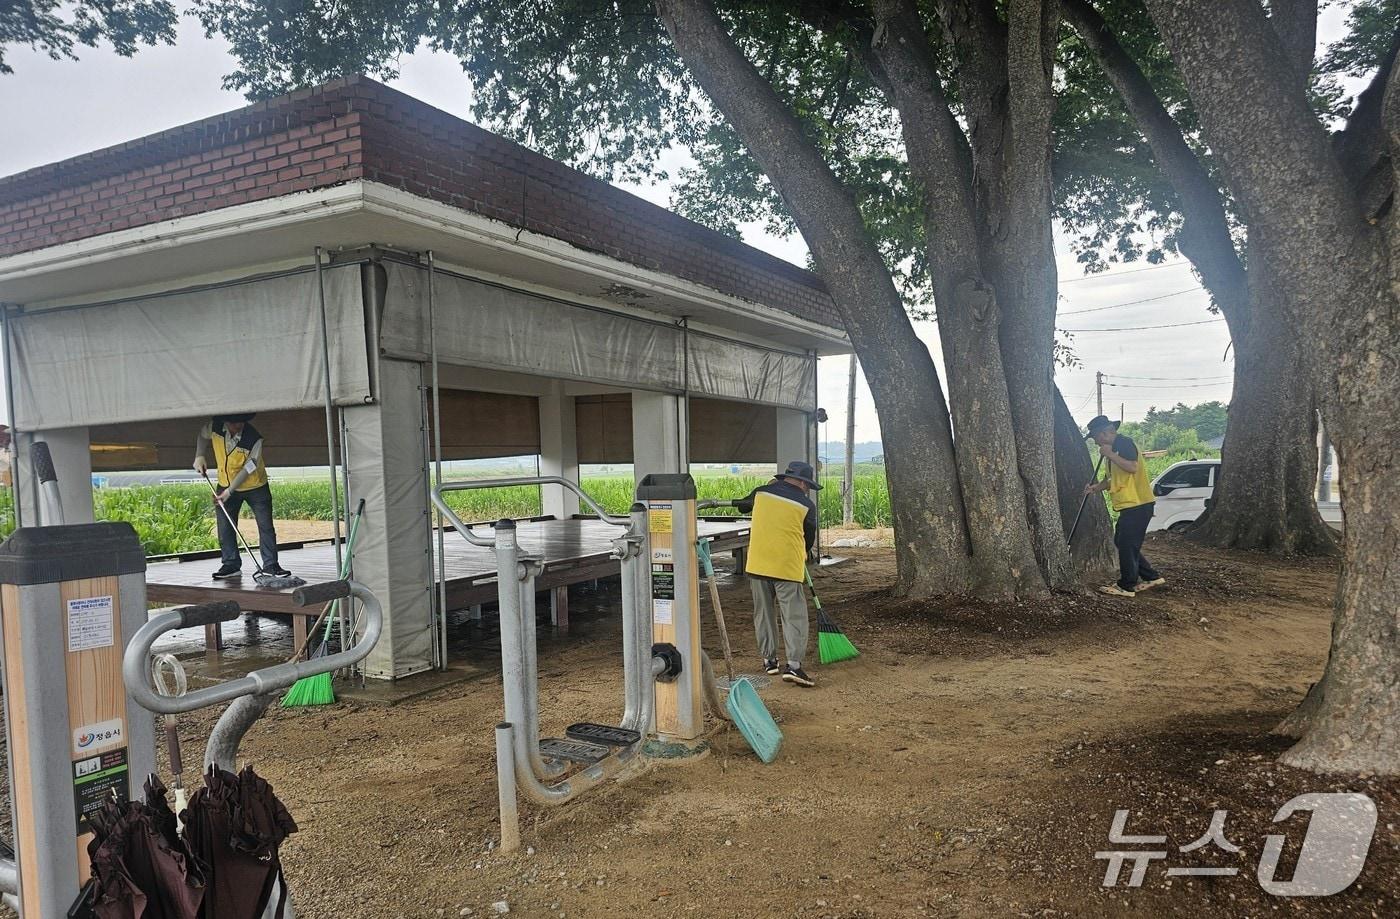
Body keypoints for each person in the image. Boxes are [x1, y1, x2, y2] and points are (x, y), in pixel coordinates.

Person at [735, 460, 820, 687]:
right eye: (808, 486)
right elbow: (808, 538)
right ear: (803, 483)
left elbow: (742, 507)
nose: (807, 490)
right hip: (786, 566)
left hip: (758, 564)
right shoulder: (806, 505)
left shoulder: (761, 492)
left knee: (763, 613)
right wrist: (802, 554)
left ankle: (769, 660)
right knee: (793, 616)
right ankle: (794, 666)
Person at [194, 414, 291, 580]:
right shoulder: (215, 427)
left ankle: (271, 565)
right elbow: (202, 435)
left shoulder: (254, 439)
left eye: (241, 422)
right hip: (225, 483)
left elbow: (249, 467)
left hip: (255, 487)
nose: (238, 425)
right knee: (225, 526)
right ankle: (230, 564)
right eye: (234, 422)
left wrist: (229, 491)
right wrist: (199, 455)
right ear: (225, 422)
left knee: (265, 526)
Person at [1083, 415, 1165, 597]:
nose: (1095, 442)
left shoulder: (1124, 443)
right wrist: (1095, 488)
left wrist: (1110, 454)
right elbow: (1112, 479)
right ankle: (1151, 577)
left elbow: (1132, 467)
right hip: (1130, 505)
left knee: (1127, 544)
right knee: (1122, 541)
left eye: (1095, 437)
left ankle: (1127, 586)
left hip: (1138, 504)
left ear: (1104, 433)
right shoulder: (1112, 450)